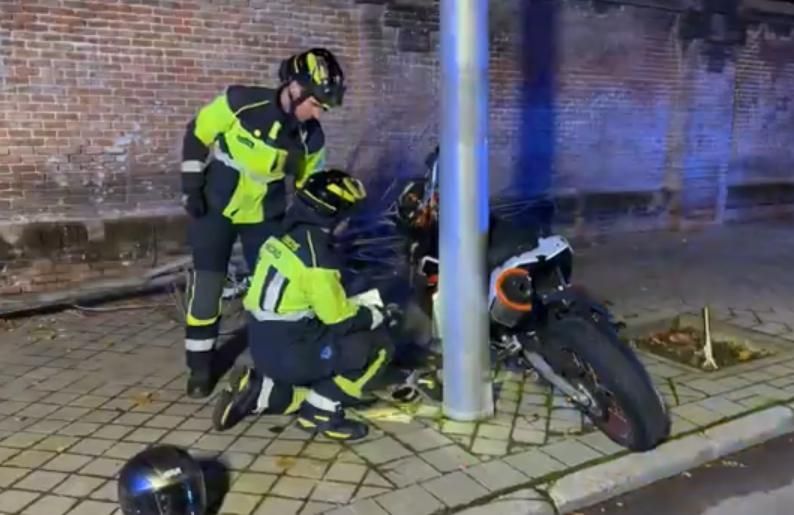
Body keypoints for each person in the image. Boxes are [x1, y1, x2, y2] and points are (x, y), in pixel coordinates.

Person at [179, 48, 346, 398]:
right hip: (216, 206)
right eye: (315, 104)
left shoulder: (311, 137)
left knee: (266, 291)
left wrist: (312, 227)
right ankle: (200, 368)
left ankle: (270, 363)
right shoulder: (241, 101)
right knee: (207, 288)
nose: (318, 113)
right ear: (295, 88)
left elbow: (308, 186)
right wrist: (191, 187)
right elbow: (197, 133)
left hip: (265, 216)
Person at [211, 169, 394, 441]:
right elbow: (341, 320)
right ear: (335, 214)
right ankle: (321, 412)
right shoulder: (318, 257)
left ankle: (260, 392)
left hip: (262, 344)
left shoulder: (282, 235)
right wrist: (377, 315)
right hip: (293, 353)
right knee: (378, 347)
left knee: (316, 371)